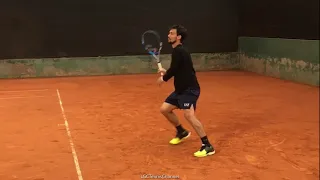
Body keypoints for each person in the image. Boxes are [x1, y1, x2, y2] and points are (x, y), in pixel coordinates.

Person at [156, 24, 215, 157]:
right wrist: (167, 72)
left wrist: (164, 78)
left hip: (190, 90)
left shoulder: (179, 51)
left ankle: (207, 145)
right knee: (165, 109)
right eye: (169, 33)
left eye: (171, 33)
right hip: (180, 90)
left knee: (189, 115)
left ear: (178, 37)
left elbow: (175, 69)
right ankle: (181, 131)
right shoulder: (178, 51)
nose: (168, 35)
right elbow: (180, 69)